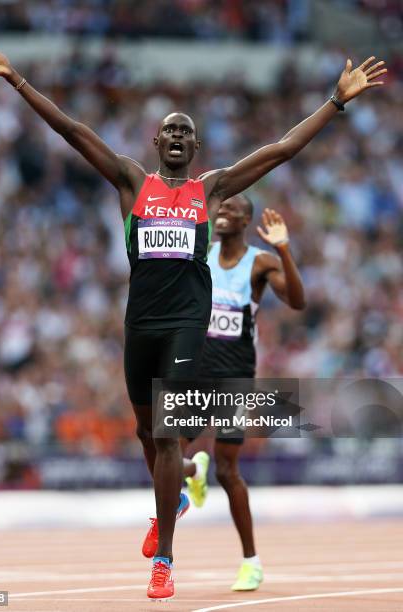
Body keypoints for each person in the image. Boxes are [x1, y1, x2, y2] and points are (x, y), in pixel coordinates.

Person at [0, 43, 386, 600]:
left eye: (187, 130)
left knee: (163, 434)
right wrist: (15, 78)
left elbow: (281, 150)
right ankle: (180, 486)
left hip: (188, 326)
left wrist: (335, 102)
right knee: (146, 433)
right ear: (157, 143)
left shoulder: (210, 191)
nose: (179, 135)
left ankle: (164, 558)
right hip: (140, 326)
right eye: (170, 130)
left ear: (197, 146)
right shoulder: (132, 183)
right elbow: (71, 130)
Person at [184, 196, 305, 592]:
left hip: (235, 375)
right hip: (194, 369)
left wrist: (284, 249)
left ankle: (250, 561)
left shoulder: (260, 262)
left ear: (247, 220)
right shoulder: (201, 254)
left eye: (232, 210)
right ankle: (191, 471)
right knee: (161, 446)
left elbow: (297, 301)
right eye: (221, 208)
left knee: (228, 468)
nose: (223, 213)